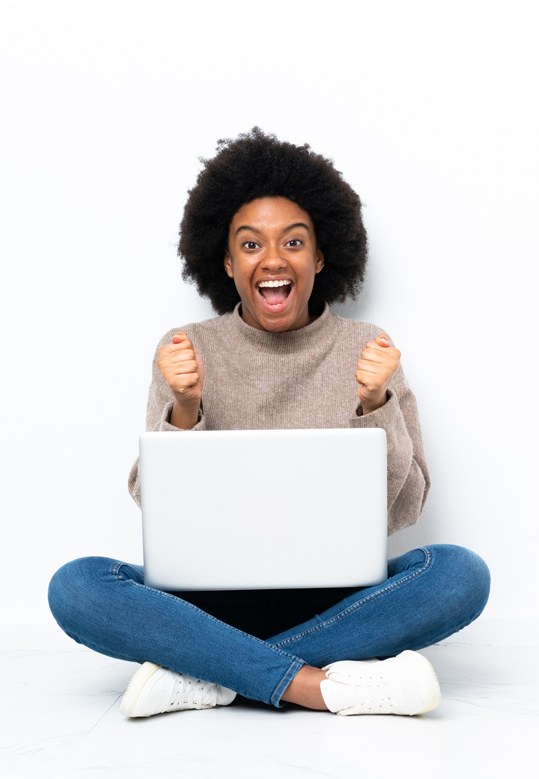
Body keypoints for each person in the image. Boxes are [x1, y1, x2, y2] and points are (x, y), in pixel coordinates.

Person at [48, 126, 491, 718]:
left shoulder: (368, 349)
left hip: (338, 600)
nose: (273, 260)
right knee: (76, 585)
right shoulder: (187, 350)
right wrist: (184, 407)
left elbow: (405, 509)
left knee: (461, 573)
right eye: (251, 245)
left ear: (322, 254)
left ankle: (212, 673)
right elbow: (155, 503)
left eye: (294, 242)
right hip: (209, 603)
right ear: (227, 261)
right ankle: (315, 684)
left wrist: (374, 403)